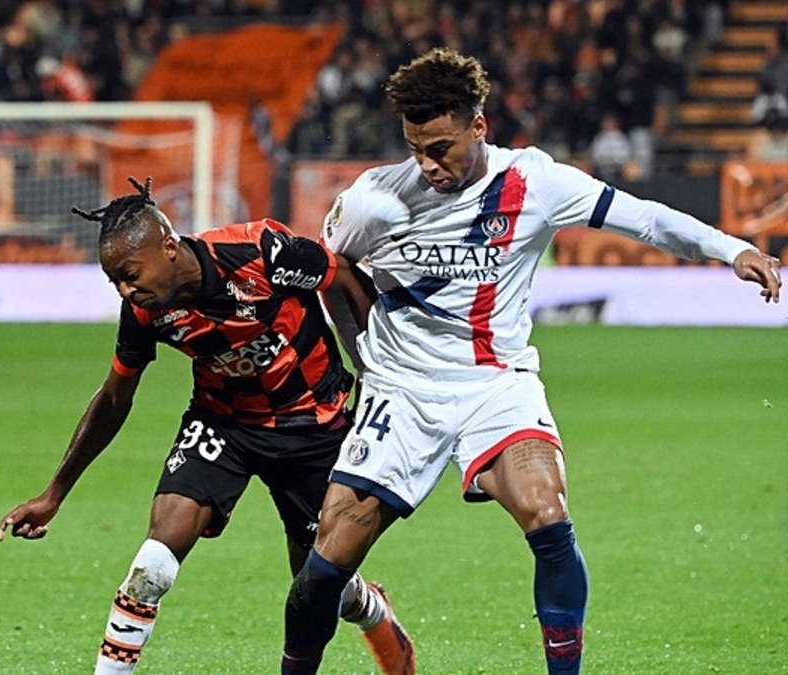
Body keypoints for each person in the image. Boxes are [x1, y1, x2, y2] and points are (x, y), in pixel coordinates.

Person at [281, 48, 783, 675]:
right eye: (415, 148)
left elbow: (645, 218)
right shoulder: (374, 202)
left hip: (498, 384)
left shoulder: (535, 183)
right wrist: (362, 359)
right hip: (402, 391)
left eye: (440, 146)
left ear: (479, 125)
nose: (428, 165)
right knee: (328, 559)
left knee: (547, 514)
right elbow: (331, 272)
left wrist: (732, 249)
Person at [0, 178, 415, 675]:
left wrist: (383, 372)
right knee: (153, 562)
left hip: (312, 424)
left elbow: (341, 275)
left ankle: (373, 611)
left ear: (168, 247)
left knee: (318, 583)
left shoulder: (260, 252)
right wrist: (54, 493)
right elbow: (113, 398)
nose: (127, 290)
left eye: (130, 273)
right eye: (115, 282)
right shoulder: (146, 311)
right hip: (224, 424)